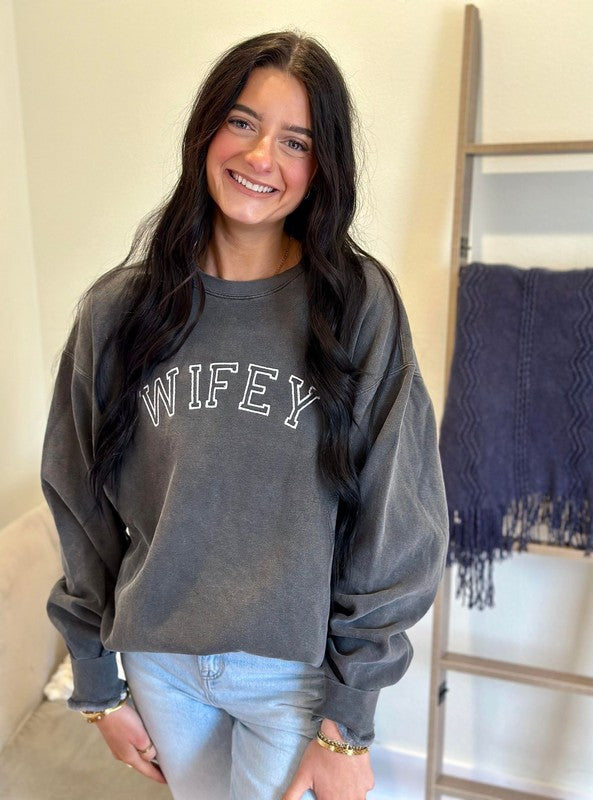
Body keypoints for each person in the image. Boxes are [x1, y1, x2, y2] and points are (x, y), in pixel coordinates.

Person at [42, 31, 448, 800]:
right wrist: (98, 686)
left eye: (296, 141)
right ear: (206, 130)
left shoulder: (357, 306)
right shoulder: (117, 311)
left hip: (291, 675)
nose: (262, 156)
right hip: (161, 665)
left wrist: (347, 718)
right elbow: (77, 502)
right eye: (242, 122)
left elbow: (398, 511)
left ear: (322, 167)